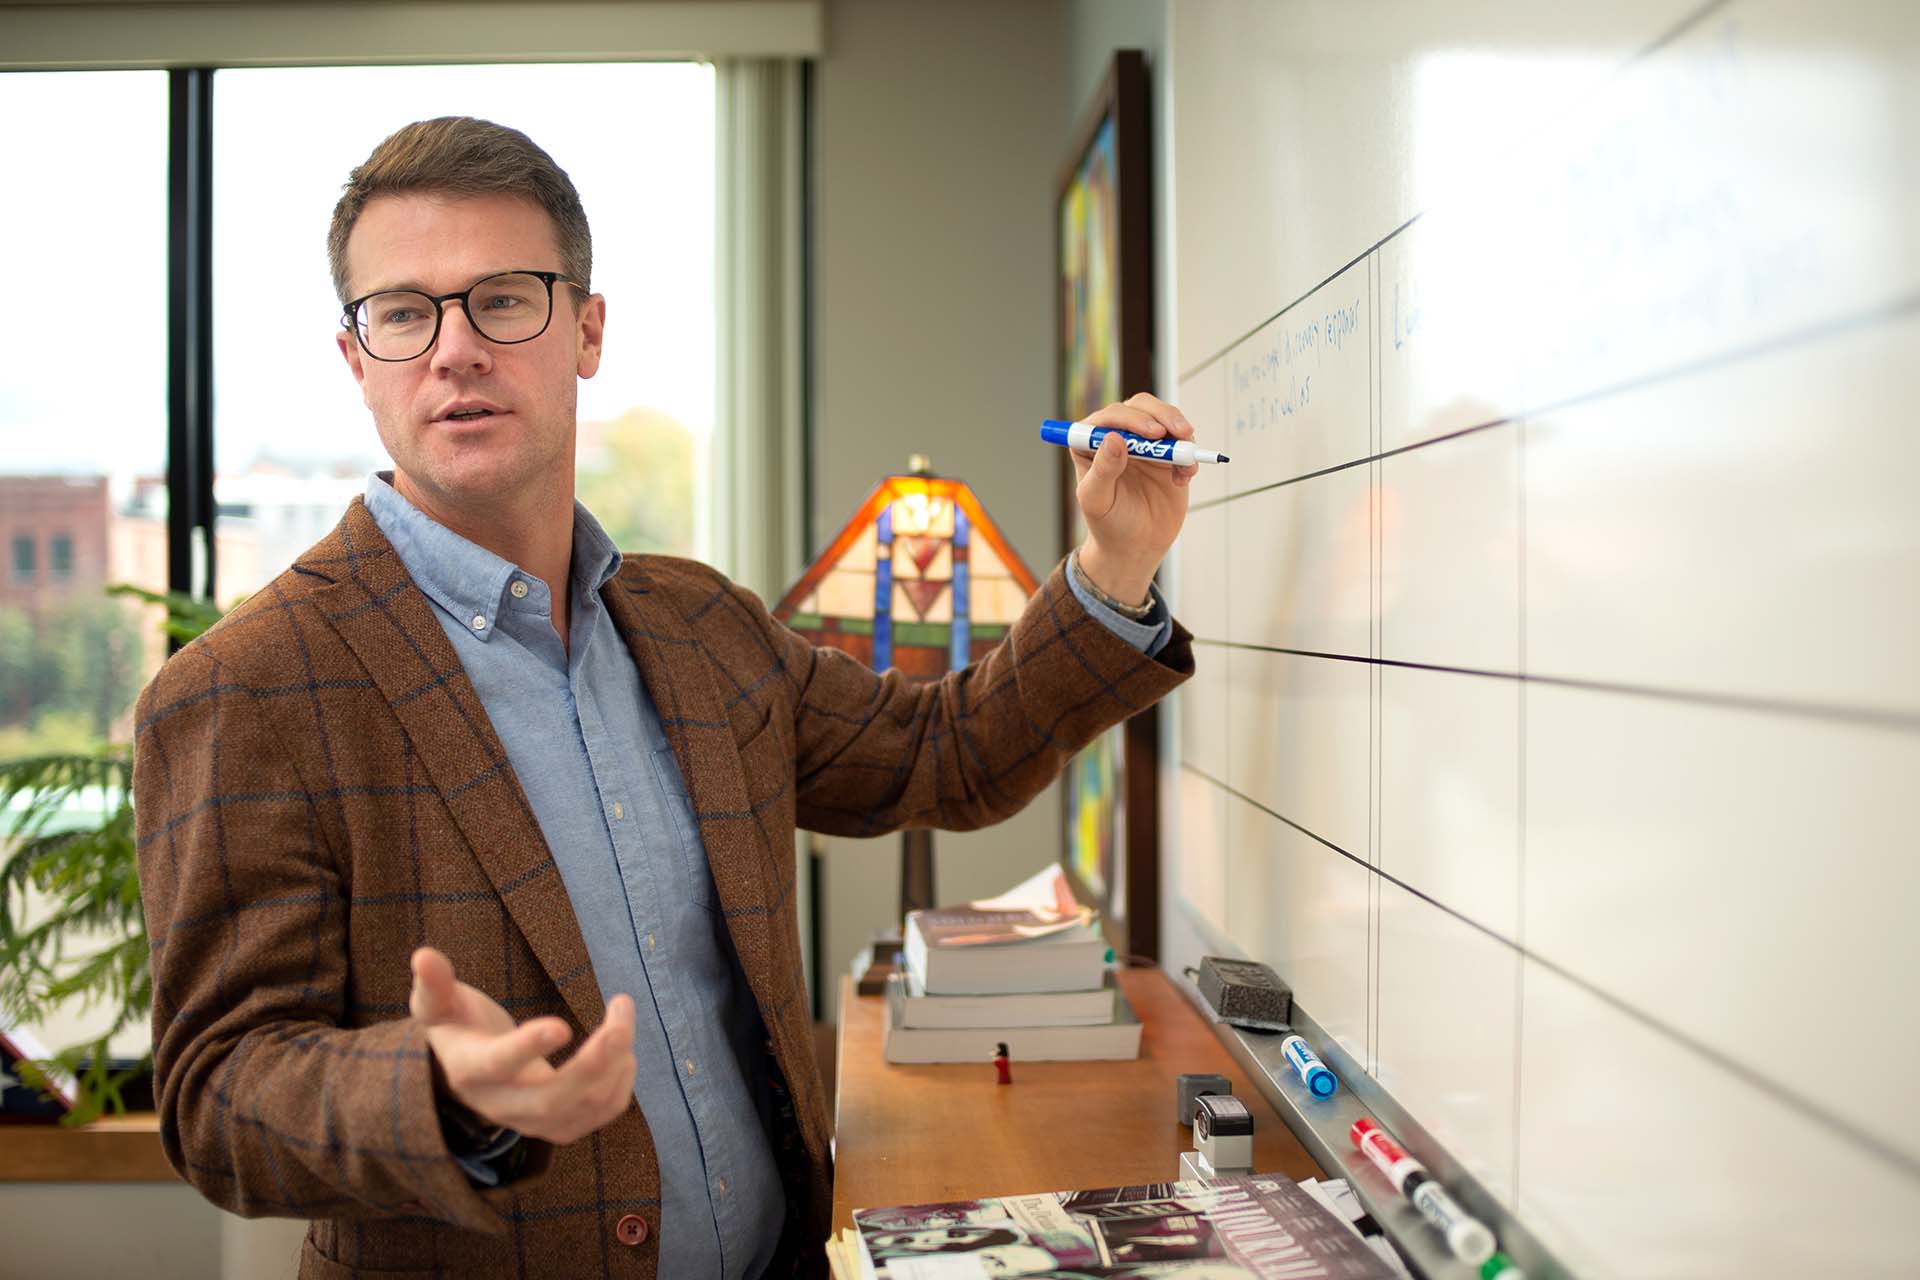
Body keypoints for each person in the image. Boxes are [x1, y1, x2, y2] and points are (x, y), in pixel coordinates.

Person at [133, 116, 1200, 1280]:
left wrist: (1113, 567)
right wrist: (432, 1091)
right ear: (358, 359)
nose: (453, 349)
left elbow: (944, 754)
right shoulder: (244, 689)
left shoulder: (701, 627)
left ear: (586, 330)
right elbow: (219, 1090)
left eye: (502, 298)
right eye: (403, 311)